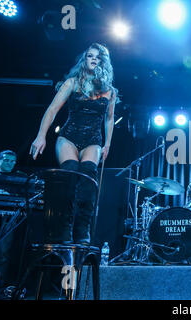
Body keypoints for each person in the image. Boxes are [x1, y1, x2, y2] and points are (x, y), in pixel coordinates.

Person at [29, 43, 119, 245]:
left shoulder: (110, 92)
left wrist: (108, 144)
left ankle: (82, 231)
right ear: (84, 59)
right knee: (69, 179)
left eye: (98, 57)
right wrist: (41, 135)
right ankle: (64, 230)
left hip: (93, 140)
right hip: (69, 136)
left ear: (103, 62)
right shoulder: (72, 83)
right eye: (90, 56)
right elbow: (52, 109)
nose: (93, 59)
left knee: (87, 184)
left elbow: (109, 119)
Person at [0, 150, 25, 298]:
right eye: (7, 160)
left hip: (8, 220)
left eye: (13, 161)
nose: (10, 164)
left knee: (3, 254)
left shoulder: (19, 179)